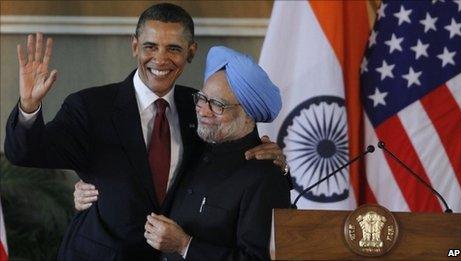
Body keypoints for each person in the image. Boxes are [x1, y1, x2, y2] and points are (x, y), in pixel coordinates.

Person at [4, 3, 287, 260]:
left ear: (191, 52)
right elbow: (27, 152)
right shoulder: (91, 107)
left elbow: (228, 165)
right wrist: (29, 107)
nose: (160, 59)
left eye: (173, 48)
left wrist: (274, 159)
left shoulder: (199, 109)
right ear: (135, 46)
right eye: (150, 46)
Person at [146, 46, 290, 260]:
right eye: (202, 98)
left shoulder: (265, 177)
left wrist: (185, 245)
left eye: (218, 105)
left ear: (248, 115)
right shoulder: (194, 147)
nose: (203, 111)